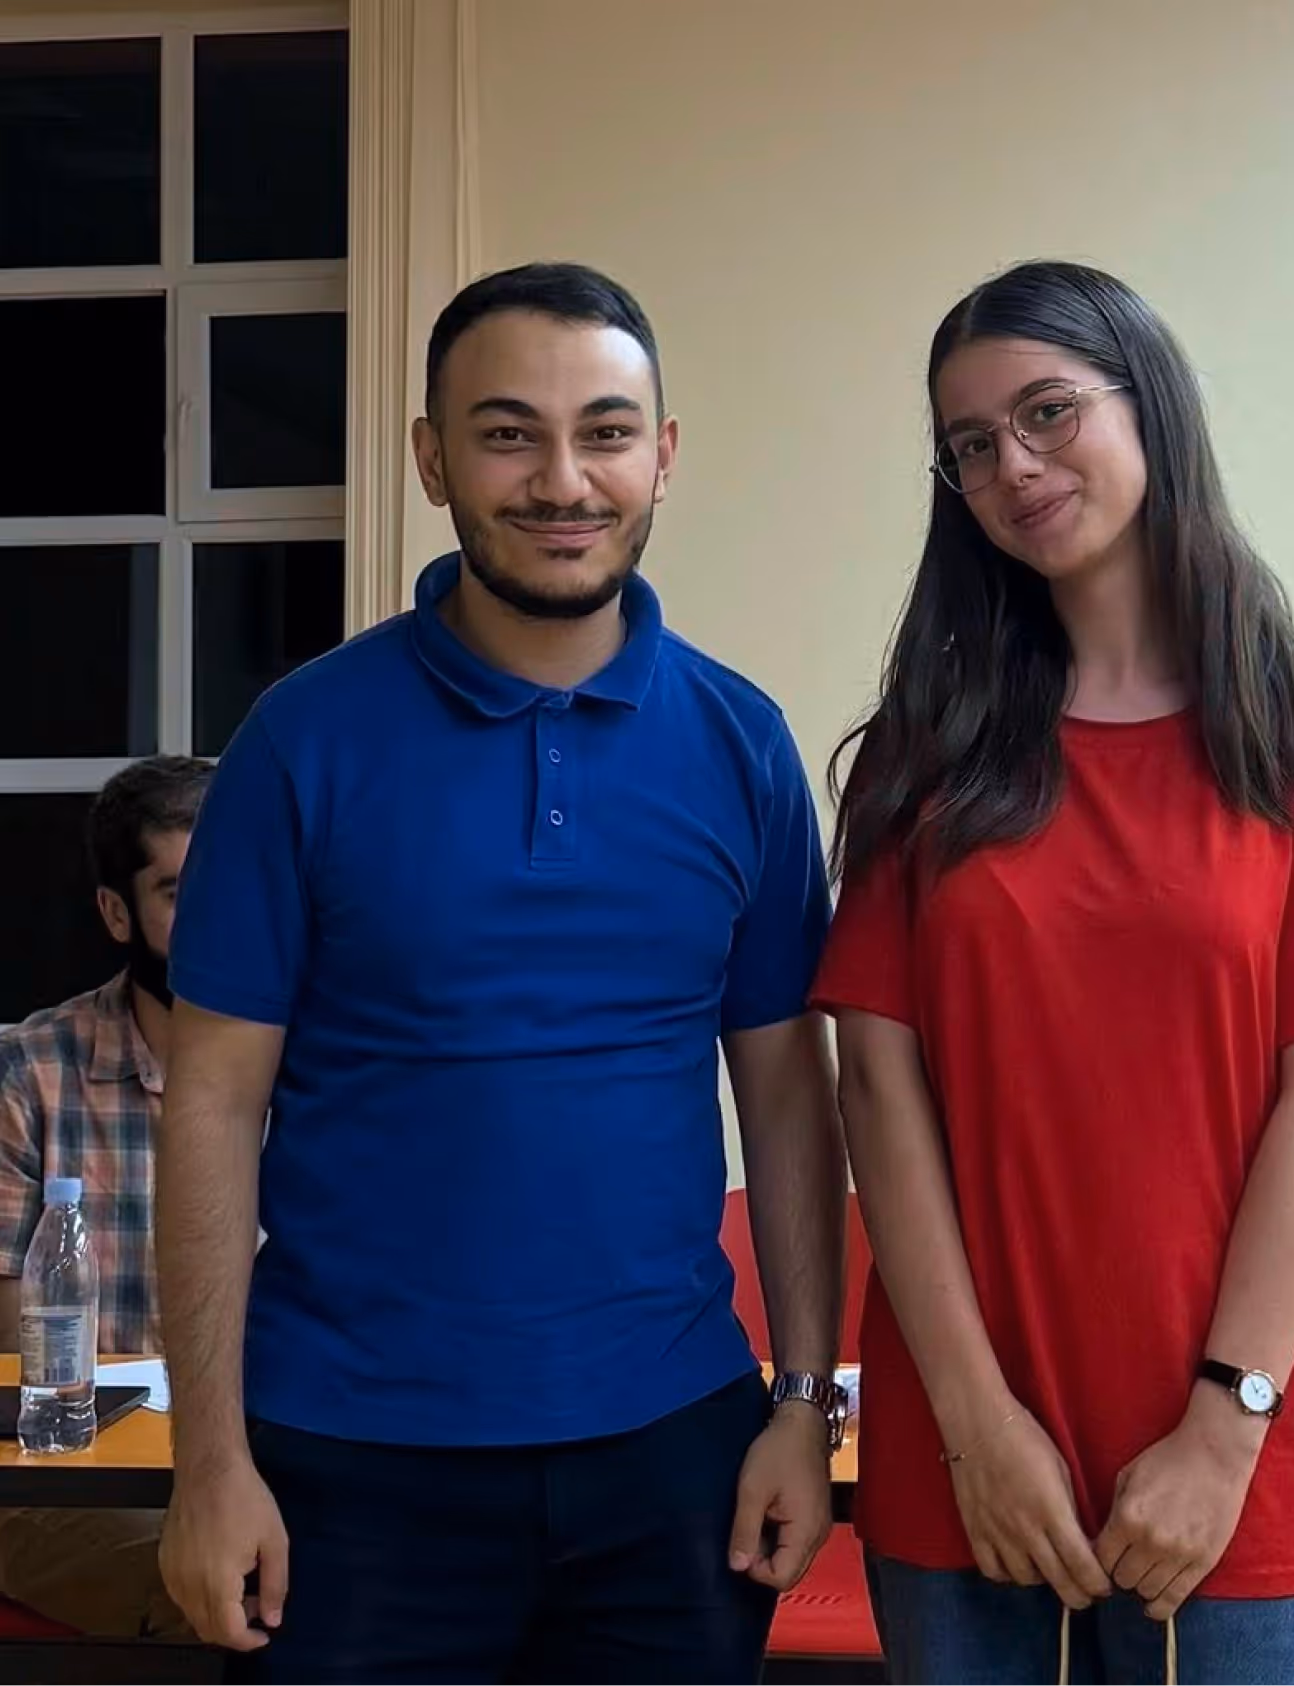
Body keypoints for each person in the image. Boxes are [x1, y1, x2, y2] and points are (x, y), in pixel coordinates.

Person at [156, 262, 848, 1685]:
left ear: (662, 456)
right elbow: (212, 1104)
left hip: (671, 1459)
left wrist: (800, 1402)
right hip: (346, 1461)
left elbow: (785, 1093)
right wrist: (207, 1460)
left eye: (604, 429)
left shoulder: (741, 742)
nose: (561, 477)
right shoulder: (302, 741)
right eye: (505, 431)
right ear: (430, 458)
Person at [812, 262, 1294, 1686]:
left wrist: (1222, 1424)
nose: (1011, 465)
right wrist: (974, 1422)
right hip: (969, 1442)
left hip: (1246, 1437)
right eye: (970, 445)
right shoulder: (921, 759)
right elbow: (880, 1099)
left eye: (1044, 412)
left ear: (1146, 402)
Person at [0, 756, 212, 1639]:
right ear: (116, 913)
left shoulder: (332, 1071)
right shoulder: (30, 1068)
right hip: (66, 1471)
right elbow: (12, 1330)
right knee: (222, 1598)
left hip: (273, 1464)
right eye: (179, 893)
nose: (219, 921)